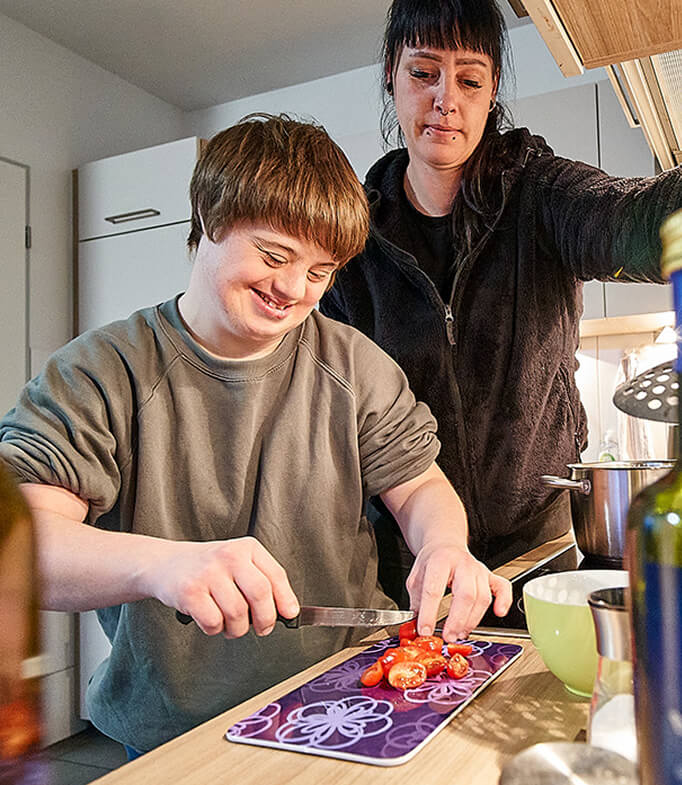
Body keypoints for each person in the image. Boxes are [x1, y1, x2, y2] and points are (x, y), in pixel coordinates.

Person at [0, 114, 511, 755]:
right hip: (176, 733)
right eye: (275, 256)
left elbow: (419, 487)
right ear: (211, 218)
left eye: (322, 272)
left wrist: (444, 546)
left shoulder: (355, 364)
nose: (295, 290)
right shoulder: (101, 372)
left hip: (352, 701)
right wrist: (162, 565)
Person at [320, 0, 682, 604]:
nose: (446, 101)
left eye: (469, 80)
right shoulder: (352, 237)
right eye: (423, 73)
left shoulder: (540, 193)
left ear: (491, 93)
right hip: (408, 569)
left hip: (540, 551)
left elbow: (635, 222)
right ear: (391, 72)